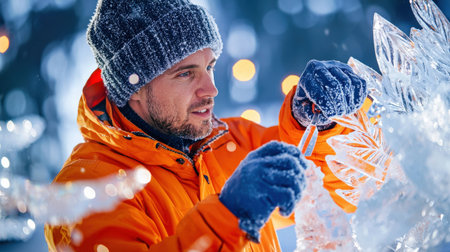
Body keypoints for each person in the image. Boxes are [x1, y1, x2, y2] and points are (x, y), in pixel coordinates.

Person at [44, 0, 367, 251]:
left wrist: (320, 124)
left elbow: (349, 187)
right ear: (135, 88)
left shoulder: (231, 141)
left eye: (209, 66)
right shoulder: (82, 191)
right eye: (185, 73)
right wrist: (229, 215)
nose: (211, 89)